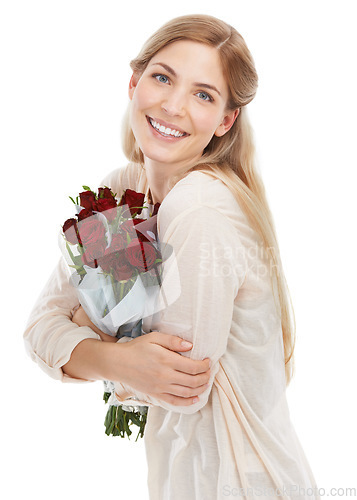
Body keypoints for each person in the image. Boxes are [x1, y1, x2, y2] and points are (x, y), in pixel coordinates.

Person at [24, 14, 320, 500]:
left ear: (226, 120)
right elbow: (38, 330)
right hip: (183, 476)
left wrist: (89, 335)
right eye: (162, 77)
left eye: (204, 94)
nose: (173, 105)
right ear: (134, 82)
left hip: (244, 482)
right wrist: (121, 358)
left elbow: (179, 387)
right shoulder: (126, 187)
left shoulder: (201, 204)